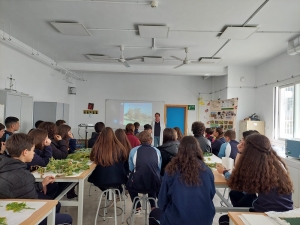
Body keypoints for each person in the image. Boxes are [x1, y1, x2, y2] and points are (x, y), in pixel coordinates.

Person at [218, 134, 293, 225]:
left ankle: (239, 215)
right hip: (286, 212)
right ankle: (239, 212)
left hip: (268, 215)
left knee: (224, 219)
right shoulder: (277, 165)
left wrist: (225, 172)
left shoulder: (256, 169)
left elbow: (236, 181)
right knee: (236, 193)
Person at [0, 133, 73, 225]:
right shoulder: (23, 175)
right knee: (66, 218)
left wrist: (41, 184)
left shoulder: (6, 164)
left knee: (55, 204)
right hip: (21, 216)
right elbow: (31, 203)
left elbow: (20, 190)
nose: (34, 153)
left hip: (7, 209)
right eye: (33, 150)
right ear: (25, 152)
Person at [149, 136, 215, 225]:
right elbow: (211, 195)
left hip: (177, 220)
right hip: (205, 220)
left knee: (154, 213)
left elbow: (162, 202)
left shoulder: (171, 170)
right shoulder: (207, 171)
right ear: (198, 149)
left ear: (179, 150)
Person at [127, 131, 162, 214]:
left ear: (139, 140)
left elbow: (131, 169)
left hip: (137, 185)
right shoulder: (157, 151)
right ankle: (153, 206)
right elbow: (158, 169)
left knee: (129, 182)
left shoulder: (133, 151)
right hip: (154, 185)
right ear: (151, 140)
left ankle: (137, 206)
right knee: (153, 176)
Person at [88, 127, 128, 193]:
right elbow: (124, 158)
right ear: (113, 135)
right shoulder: (120, 147)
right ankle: (117, 192)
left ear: (101, 135)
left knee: (93, 179)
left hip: (101, 178)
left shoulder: (97, 147)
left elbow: (92, 158)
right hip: (119, 177)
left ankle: (107, 193)